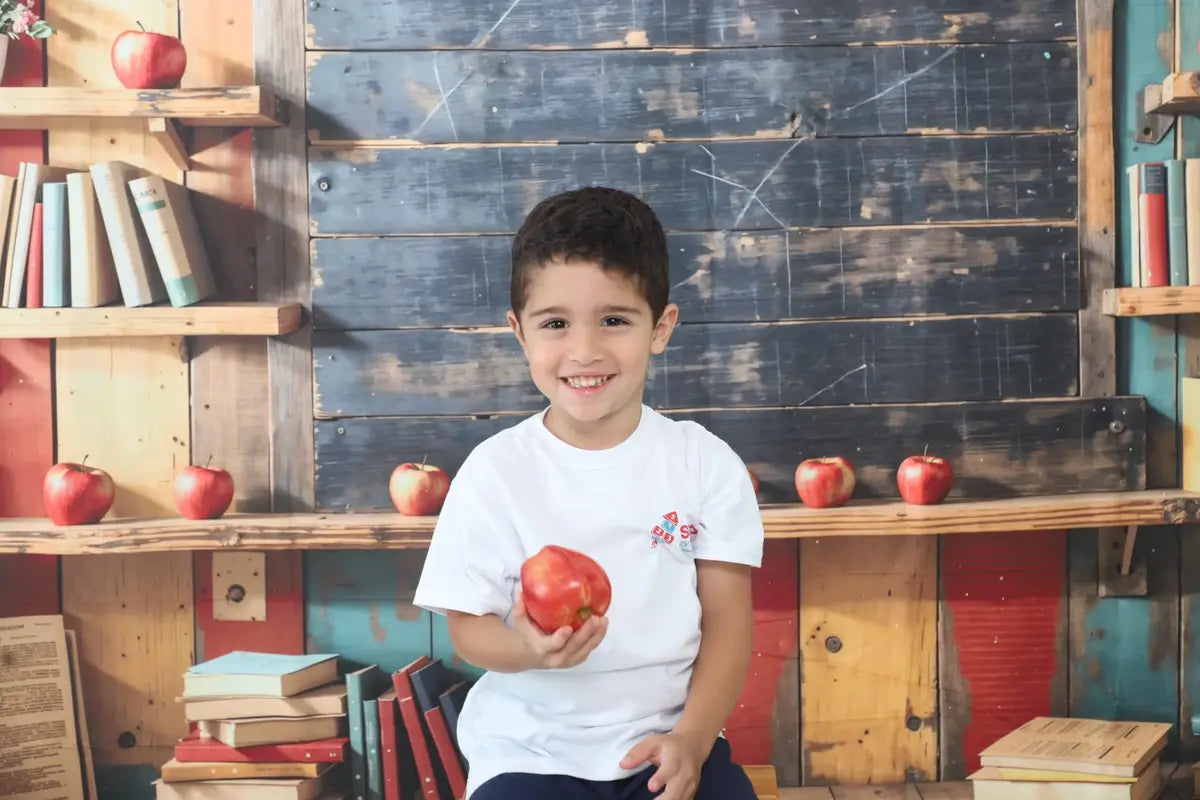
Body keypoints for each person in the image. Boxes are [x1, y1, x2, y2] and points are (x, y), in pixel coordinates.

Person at [412, 186, 765, 800]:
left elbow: (729, 627)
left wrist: (693, 741)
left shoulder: (703, 462)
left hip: (668, 743)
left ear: (661, 327)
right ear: (519, 333)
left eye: (614, 320)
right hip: (530, 755)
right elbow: (468, 632)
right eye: (555, 324)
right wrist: (525, 647)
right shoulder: (495, 471)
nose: (585, 351)